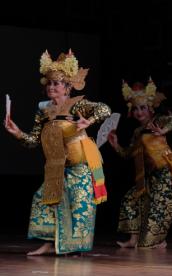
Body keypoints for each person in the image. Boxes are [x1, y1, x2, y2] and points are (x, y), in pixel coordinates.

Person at [4, 50, 111, 255]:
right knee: (44, 199)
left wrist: (89, 120)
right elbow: (33, 141)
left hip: (80, 163)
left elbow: (104, 109)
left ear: (68, 87)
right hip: (57, 166)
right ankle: (48, 244)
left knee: (79, 204)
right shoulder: (43, 111)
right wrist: (17, 133)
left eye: (57, 83)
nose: (51, 87)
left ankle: (75, 247)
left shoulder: (78, 104)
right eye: (49, 83)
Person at [108, 79, 172, 249]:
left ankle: (159, 240)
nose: (139, 112)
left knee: (157, 211)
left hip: (167, 172)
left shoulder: (158, 121)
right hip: (149, 176)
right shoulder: (137, 132)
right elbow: (128, 154)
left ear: (150, 108)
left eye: (143, 108)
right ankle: (133, 239)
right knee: (130, 200)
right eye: (136, 108)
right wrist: (116, 145)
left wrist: (163, 130)